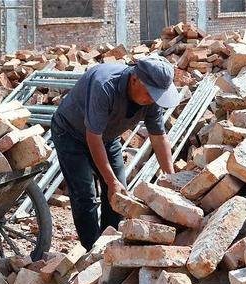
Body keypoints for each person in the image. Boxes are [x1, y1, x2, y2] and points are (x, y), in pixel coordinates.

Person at [51, 56, 181, 250]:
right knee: (85, 195)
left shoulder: (152, 98)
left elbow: (158, 136)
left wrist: (170, 178)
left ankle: (109, 246)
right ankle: (92, 251)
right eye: (149, 93)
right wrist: (110, 181)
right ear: (135, 79)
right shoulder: (104, 86)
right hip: (71, 133)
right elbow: (93, 137)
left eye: (156, 95)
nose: (152, 99)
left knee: (119, 195)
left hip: (107, 137)